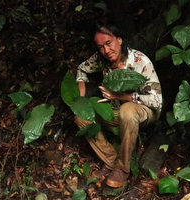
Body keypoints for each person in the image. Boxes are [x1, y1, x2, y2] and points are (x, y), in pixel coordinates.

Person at [74, 24, 162, 188]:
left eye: (109, 43)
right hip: (115, 113)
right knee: (81, 116)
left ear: (119, 40)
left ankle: (122, 170)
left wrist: (122, 96)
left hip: (144, 112)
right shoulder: (102, 60)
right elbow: (81, 69)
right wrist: (81, 97)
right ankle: (113, 161)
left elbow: (157, 102)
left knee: (127, 110)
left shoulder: (140, 61)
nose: (106, 51)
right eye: (101, 47)